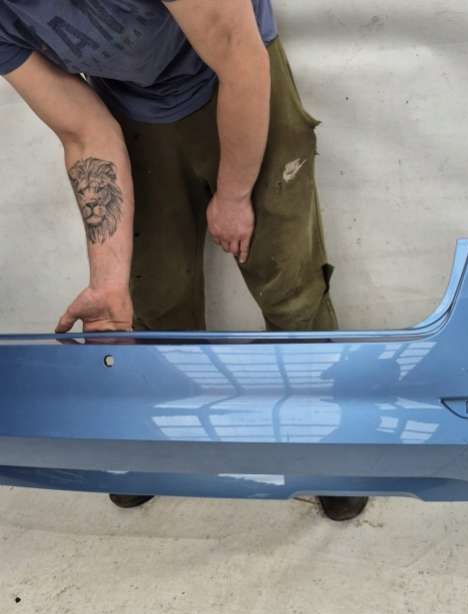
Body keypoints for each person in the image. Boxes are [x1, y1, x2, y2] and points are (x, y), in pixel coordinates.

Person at [0, 0, 368, 522]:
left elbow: (238, 54)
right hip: (133, 107)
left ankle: (328, 444)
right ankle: (171, 434)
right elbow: (83, 131)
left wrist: (234, 194)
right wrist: (107, 281)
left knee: (288, 282)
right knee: (155, 293)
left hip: (236, 74)